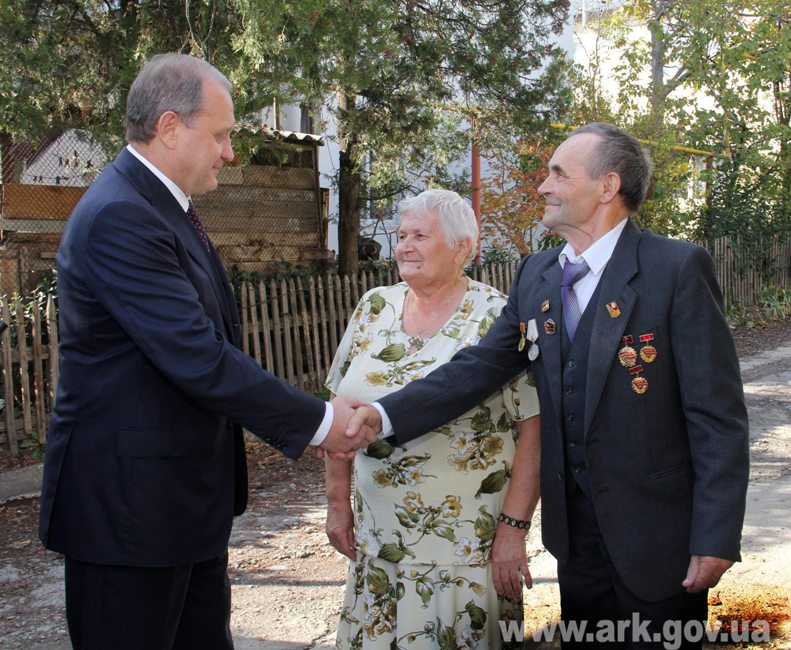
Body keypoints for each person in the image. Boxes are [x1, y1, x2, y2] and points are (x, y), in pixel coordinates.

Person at [348, 124, 750, 648]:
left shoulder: (673, 268)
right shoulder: (536, 274)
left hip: (658, 537)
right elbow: (476, 369)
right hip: (576, 542)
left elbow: (717, 415)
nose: (544, 186)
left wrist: (716, 534)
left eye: (559, 174)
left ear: (607, 187)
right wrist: (385, 415)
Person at [38, 53, 374, 650]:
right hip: (129, 516)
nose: (229, 152)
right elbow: (196, 356)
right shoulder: (121, 215)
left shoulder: (161, 206)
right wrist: (321, 422)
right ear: (170, 127)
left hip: (177, 507)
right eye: (220, 135)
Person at [324, 189, 541, 648]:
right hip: (379, 541)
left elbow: (533, 428)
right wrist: (338, 503)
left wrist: (513, 530)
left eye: (420, 236)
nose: (404, 246)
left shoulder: (496, 317)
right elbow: (338, 412)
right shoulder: (375, 306)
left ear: (463, 248)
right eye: (402, 235)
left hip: (466, 548)